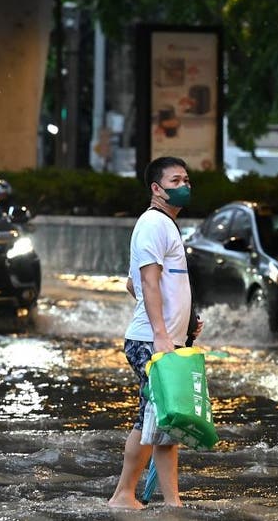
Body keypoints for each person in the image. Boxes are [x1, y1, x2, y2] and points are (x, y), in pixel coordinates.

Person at [108, 156, 203, 510]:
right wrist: (162, 334)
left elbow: (133, 284)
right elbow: (146, 282)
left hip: (164, 337)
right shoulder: (153, 224)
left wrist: (186, 320)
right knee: (156, 418)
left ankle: (168, 502)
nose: (184, 186)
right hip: (150, 340)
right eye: (176, 180)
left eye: (186, 179)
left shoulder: (164, 225)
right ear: (157, 188)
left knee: (164, 422)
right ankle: (125, 496)